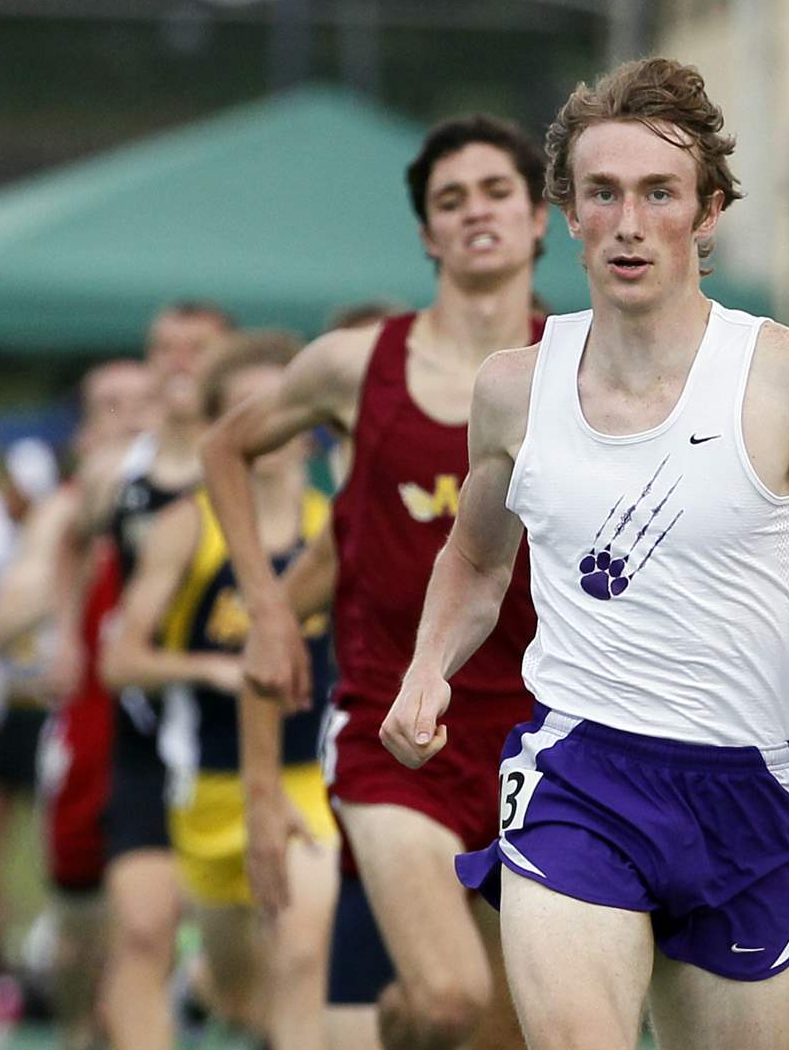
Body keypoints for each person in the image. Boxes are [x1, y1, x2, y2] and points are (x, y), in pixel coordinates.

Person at [380, 57, 789, 1050]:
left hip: (748, 787)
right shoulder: (513, 389)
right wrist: (426, 668)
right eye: (604, 193)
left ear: (707, 212)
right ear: (570, 216)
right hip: (581, 772)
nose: (630, 221)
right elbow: (477, 560)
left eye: (659, 193)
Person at [202, 114, 550, 1050]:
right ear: (429, 237)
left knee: (502, 1030)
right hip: (394, 731)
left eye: (495, 193)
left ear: (538, 221)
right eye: (451, 200)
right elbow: (224, 446)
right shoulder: (358, 367)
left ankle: (391, 1036)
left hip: (544, 737)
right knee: (447, 997)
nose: (475, 212)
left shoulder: (583, 365)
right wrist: (269, 609)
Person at [103, 331, 338, 1049]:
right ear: (220, 431)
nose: (268, 427)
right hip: (205, 782)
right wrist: (212, 670)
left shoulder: (334, 527)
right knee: (243, 989)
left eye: (283, 409)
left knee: (303, 953)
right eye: (245, 411)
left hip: (306, 780)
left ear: (311, 428)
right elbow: (119, 661)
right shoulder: (187, 528)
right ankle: (208, 986)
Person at [66, 302, 234, 1050]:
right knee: (140, 926)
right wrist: (69, 636)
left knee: (247, 962)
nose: (178, 363)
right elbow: (74, 551)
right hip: (144, 725)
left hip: (242, 729)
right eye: (164, 348)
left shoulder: (255, 457)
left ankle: (214, 994)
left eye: (196, 349)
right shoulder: (116, 473)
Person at [0, 359, 154, 1050]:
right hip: (87, 727)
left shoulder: (187, 487)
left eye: (140, 401)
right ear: (84, 429)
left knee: (147, 921)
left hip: (173, 728)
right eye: (110, 404)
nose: (128, 415)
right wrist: (60, 609)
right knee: (81, 915)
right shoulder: (66, 508)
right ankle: (83, 1028)